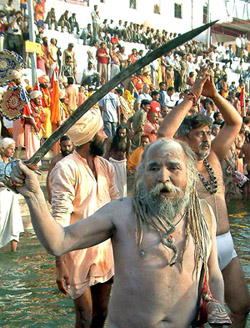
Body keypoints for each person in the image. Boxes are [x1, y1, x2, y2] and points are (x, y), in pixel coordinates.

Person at [11, 137, 228, 327]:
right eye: (154, 168)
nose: (163, 176)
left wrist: (217, 306)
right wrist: (33, 195)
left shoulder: (202, 214)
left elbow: (214, 272)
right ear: (141, 174)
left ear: (189, 173)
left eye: (173, 167)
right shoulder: (123, 213)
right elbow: (59, 241)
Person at [158, 67, 250, 327]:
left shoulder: (214, 156)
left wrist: (214, 95)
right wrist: (193, 95)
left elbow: (235, 123)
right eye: (200, 133)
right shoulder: (180, 163)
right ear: (185, 138)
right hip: (197, 249)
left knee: (241, 307)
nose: (207, 138)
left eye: (208, 133)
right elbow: (164, 133)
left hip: (226, 244)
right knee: (194, 319)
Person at [49, 108, 118, 327]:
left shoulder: (106, 166)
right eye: (101, 132)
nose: (106, 136)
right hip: (76, 253)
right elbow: (59, 216)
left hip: (105, 249)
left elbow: (117, 206)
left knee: (102, 313)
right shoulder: (66, 168)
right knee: (85, 314)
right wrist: (59, 262)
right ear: (90, 137)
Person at [0, 138, 23, 252]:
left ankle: (14, 250)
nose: (13, 151)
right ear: (2, 148)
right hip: (2, 194)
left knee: (15, 223)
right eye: (10, 148)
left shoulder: (13, 162)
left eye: (14, 149)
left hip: (12, 194)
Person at [105, 125, 130, 197]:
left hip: (122, 164)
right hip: (113, 162)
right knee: (113, 183)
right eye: (120, 133)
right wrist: (105, 165)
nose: (121, 135)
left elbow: (128, 154)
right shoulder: (112, 140)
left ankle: (122, 200)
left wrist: (128, 167)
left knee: (122, 185)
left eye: (123, 133)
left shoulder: (128, 141)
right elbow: (107, 152)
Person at [46, 135, 73, 203]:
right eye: (64, 146)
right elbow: (49, 178)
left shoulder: (76, 159)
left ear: (72, 145)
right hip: (60, 192)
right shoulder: (56, 160)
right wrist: (50, 194)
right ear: (60, 145)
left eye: (69, 146)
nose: (67, 148)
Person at [22, 90, 44, 160]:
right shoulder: (27, 106)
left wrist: (38, 116)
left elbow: (43, 120)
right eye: (38, 99)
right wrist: (34, 126)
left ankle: (37, 162)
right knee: (30, 145)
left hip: (38, 128)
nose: (39, 100)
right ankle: (30, 160)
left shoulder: (40, 107)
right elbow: (27, 119)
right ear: (33, 99)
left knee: (36, 145)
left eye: (40, 99)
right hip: (30, 128)